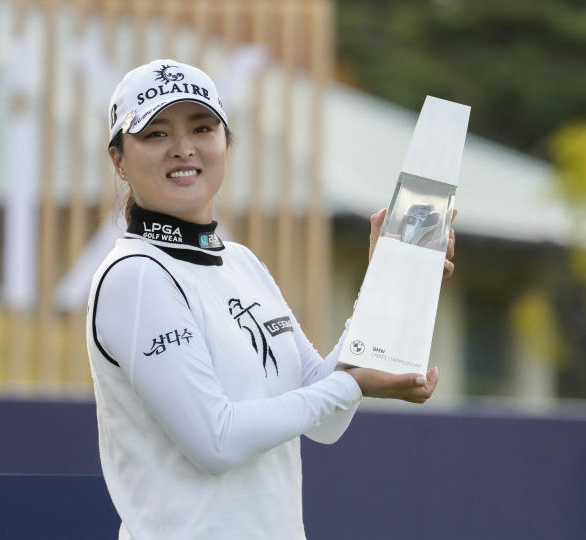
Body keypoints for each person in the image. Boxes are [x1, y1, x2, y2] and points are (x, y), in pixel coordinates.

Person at [86, 59, 454, 540]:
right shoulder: (134, 276)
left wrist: (384, 285)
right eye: (155, 134)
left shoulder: (241, 263)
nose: (183, 148)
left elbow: (324, 413)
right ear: (119, 159)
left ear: (225, 143)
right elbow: (216, 440)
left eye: (202, 128)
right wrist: (354, 385)